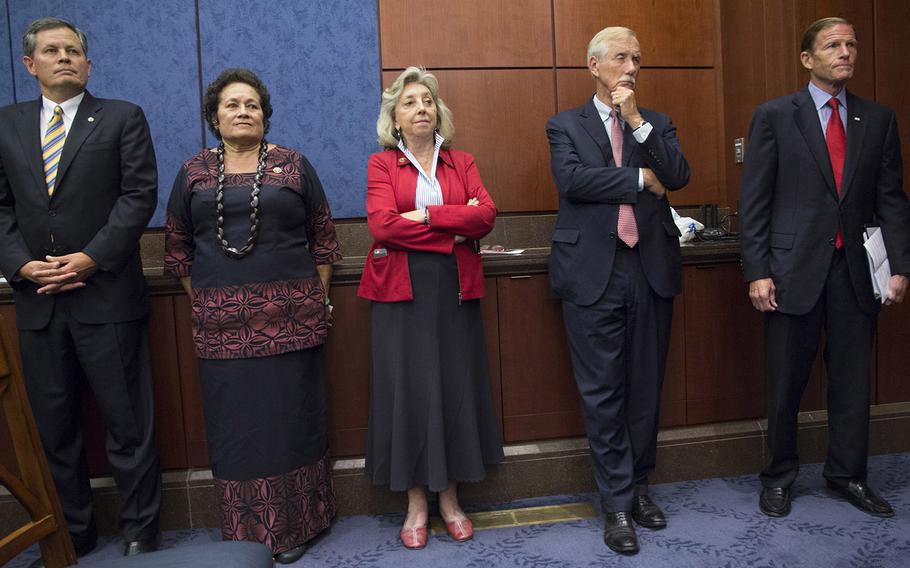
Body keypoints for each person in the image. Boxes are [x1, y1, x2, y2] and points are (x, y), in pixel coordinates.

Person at [0, 17, 162, 564]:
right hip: (37, 301)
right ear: (31, 65)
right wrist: (22, 267)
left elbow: (138, 198)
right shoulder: (6, 125)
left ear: (88, 64)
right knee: (55, 428)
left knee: (128, 423)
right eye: (52, 50)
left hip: (107, 295)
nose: (64, 57)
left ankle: (142, 530)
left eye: (73, 50)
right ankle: (74, 531)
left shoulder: (121, 117)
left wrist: (91, 259)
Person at [164, 68, 340, 564]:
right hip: (221, 328)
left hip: (293, 320)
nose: (243, 112)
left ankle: (301, 524)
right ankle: (247, 530)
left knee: (291, 421)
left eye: (252, 105)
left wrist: (317, 302)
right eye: (232, 105)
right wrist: (203, 303)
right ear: (214, 118)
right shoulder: (194, 172)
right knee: (237, 426)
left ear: (265, 114)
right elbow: (177, 249)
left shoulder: (293, 165)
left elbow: (324, 241)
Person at [740, 17, 910, 519]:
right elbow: (755, 201)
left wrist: (900, 266)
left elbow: (892, 199)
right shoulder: (774, 115)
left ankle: (847, 476)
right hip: (791, 270)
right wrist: (757, 270)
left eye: (852, 44)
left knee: (854, 382)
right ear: (807, 58)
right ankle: (778, 477)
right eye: (833, 45)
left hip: (855, 272)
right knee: (786, 381)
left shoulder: (877, 120)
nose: (846, 52)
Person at [546, 27, 690, 555]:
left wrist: (635, 123)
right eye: (621, 58)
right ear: (594, 65)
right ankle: (617, 505)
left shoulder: (657, 123)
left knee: (645, 388)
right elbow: (574, 181)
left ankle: (640, 487)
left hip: (648, 268)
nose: (631, 67)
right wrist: (638, 181)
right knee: (603, 393)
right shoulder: (564, 124)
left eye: (637, 58)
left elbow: (678, 174)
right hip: (591, 274)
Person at [358, 67, 503, 550]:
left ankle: (451, 499)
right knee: (410, 390)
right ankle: (416, 503)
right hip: (400, 292)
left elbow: (485, 215)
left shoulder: (461, 161)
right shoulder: (382, 165)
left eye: (427, 101)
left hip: (455, 291)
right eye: (409, 103)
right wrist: (450, 233)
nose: (421, 108)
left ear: (438, 112)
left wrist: (425, 215)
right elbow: (382, 226)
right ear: (395, 119)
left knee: (453, 386)